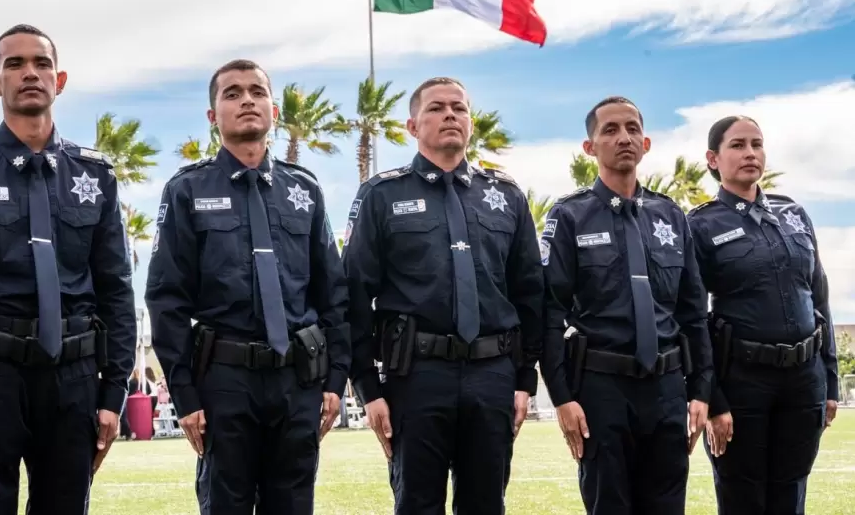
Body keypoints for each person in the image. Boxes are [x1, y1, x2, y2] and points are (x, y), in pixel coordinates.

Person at [0, 24, 137, 514]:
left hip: (74, 377)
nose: (29, 73)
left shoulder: (94, 175)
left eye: (40, 63)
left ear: (59, 80)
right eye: (13, 64)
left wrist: (113, 393)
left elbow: (117, 290)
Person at [145, 59, 349, 515]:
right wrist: (184, 393)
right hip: (224, 381)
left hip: (298, 379)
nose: (247, 101)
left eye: (257, 92)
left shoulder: (305, 190)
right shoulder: (187, 190)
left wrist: (335, 379)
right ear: (212, 116)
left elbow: (333, 292)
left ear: (274, 110)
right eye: (232, 93)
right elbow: (166, 298)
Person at [342, 76, 544, 515]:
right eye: (436, 108)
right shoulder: (382, 195)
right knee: (417, 503)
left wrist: (525, 377)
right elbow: (355, 296)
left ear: (470, 122)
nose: (450, 114)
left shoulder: (506, 196)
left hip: (493, 374)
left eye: (459, 107)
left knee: (487, 504)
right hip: (416, 376)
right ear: (412, 126)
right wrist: (367, 388)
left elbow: (530, 293)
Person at [540, 96, 713, 515]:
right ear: (589, 147)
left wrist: (701, 389)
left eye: (632, 129)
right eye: (610, 130)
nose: (624, 138)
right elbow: (548, 312)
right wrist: (562, 397)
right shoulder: (569, 216)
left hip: (667, 389)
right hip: (601, 390)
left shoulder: (671, 216)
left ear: (646, 143)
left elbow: (693, 311)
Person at [686, 115, 838, 515]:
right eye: (737, 145)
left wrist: (831, 382)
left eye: (757, 143)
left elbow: (819, 297)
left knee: (792, 495)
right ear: (713, 159)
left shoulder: (794, 215)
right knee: (743, 498)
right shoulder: (700, 225)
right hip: (741, 381)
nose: (750, 153)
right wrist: (713, 399)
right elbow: (693, 316)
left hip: (804, 381)